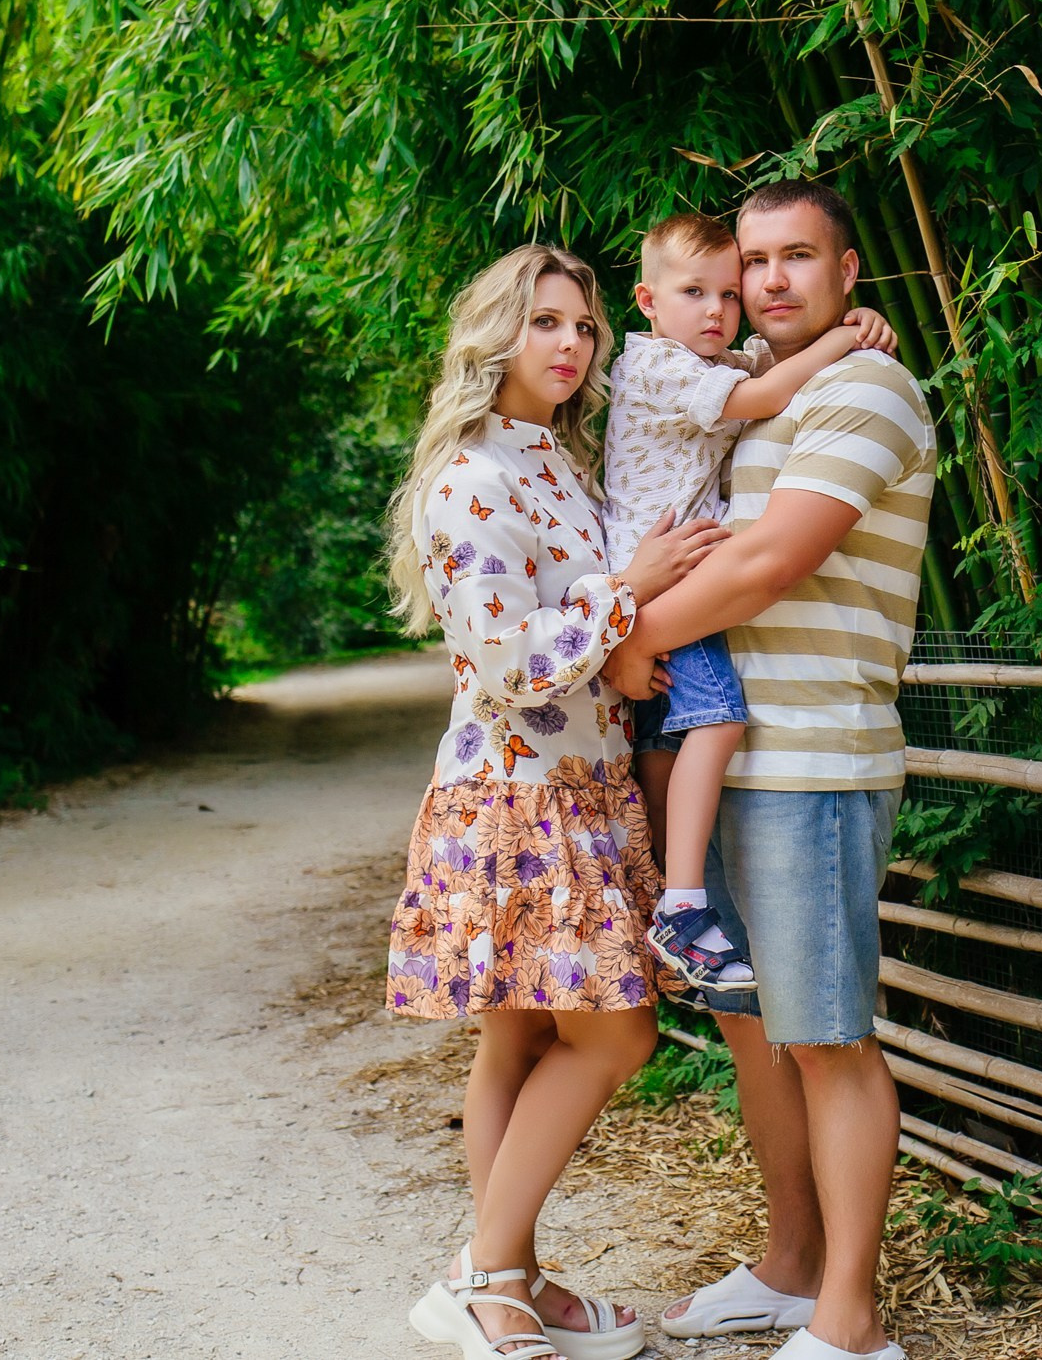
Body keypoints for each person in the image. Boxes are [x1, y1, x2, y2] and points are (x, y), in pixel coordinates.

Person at [603, 181, 934, 1360]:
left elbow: (772, 561)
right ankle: (793, 1265)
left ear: (850, 272)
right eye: (755, 260)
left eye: (801, 256)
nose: (772, 279)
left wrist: (628, 638)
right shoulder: (742, 400)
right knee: (753, 1028)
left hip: (814, 757)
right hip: (730, 753)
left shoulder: (867, 387)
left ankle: (851, 1320)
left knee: (829, 1036)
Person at [388, 243, 726, 1360]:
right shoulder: (469, 476)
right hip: (514, 796)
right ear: (495, 336)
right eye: (544, 322)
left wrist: (621, 644)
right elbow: (504, 659)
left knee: (519, 1038)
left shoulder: (561, 467)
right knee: (617, 1033)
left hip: (584, 786)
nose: (571, 344)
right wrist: (625, 599)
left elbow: (583, 633)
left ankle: (509, 1278)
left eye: (581, 324)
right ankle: (486, 1272)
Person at [601, 210, 894, 992]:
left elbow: (760, 358)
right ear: (646, 301)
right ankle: (683, 905)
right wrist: (843, 339)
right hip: (669, 581)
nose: (718, 310)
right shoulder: (660, 368)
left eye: (727, 295)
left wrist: (848, 318)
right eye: (694, 292)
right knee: (719, 718)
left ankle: (669, 881)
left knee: (666, 742)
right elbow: (761, 393)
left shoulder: (698, 355)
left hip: (668, 583)